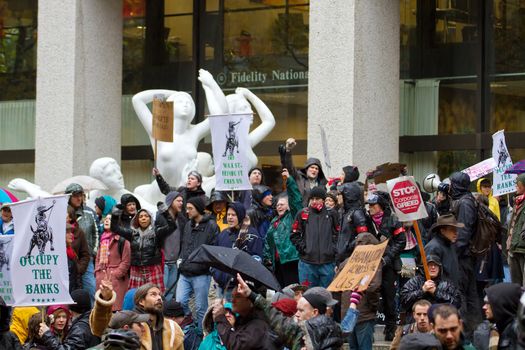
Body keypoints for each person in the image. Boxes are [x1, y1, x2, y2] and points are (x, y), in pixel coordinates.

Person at [90, 278, 184, 350]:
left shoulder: (172, 327)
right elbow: (98, 329)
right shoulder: (129, 318)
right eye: (153, 294)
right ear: (141, 301)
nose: (159, 298)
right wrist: (105, 300)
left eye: (159, 294)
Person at [366, 191, 406, 340]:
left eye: (373, 205)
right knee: (370, 298)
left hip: (389, 266)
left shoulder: (393, 219)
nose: (370, 208)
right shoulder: (365, 219)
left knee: (389, 299)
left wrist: (387, 258)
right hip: (371, 265)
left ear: (381, 206)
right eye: (369, 205)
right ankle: (368, 332)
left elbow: (401, 241)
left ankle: (390, 331)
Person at [177, 196, 219, 331]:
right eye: (186, 208)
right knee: (180, 303)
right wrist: (182, 261)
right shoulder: (188, 225)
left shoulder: (212, 226)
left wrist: (205, 265)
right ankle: (189, 320)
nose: (187, 211)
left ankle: (201, 335)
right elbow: (184, 245)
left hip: (201, 274)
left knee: (201, 307)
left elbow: (213, 249)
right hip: (185, 272)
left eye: (190, 208)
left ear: (199, 209)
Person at [448, 171, 482, 335]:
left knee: (462, 293)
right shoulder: (464, 200)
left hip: (463, 257)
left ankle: (465, 333)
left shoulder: (465, 203)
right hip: (465, 255)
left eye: (451, 183)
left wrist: (453, 254)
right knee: (469, 293)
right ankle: (474, 330)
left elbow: (463, 232)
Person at [111, 207, 173, 293]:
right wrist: (114, 215)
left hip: (153, 269)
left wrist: (166, 213)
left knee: (154, 297)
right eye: (141, 217)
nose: (143, 218)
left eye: (146, 216)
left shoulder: (157, 232)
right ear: (137, 220)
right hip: (136, 270)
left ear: (150, 218)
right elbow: (115, 228)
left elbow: (172, 226)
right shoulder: (132, 234)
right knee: (136, 297)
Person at [339, 232, 382, 350]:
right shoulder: (373, 263)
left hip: (347, 313)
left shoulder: (345, 263)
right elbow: (374, 286)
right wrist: (373, 306)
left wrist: (343, 308)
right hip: (364, 314)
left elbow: (336, 288)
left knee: (353, 347)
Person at [291, 186, 340, 288]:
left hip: (328, 264)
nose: (314, 201)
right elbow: (294, 234)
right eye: (312, 199)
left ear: (323, 199)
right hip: (307, 264)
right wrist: (304, 248)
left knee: (327, 296)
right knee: (307, 296)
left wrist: (332, 249)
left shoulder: (332, 214)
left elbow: (338, 234)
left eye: (317, 199)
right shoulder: (303, 213)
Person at [213, 201, 262, 299]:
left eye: (233, 215)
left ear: (240, 216)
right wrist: (215, 273)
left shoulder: (251, 235)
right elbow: (215, 257)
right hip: (221, 285)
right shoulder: (223, 234)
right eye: (228, 214)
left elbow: (256, 260)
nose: (230, 217)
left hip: (239, 287)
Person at [264, 169, 302, 287]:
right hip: (277, 264)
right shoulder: (274, 221)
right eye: (277, 205)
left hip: (291, 261)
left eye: (282, 204)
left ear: (288, 206)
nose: (279, 206)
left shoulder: (292, 217)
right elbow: (267, 241)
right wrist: (267, 257)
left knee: (292, 291)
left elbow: (295, 199)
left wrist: (289, 181)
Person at [210, 284, 271, 350]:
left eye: (238, 296)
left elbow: (236, 346)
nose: (233, 300)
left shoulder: (258, 325)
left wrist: (220, 317)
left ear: (250, 300)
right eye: (232, 296)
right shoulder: (242, 319)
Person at [65, 183, 99, 299]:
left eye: (81, 195)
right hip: (67, 259)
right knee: (68, 289)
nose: (79, 198)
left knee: (91, 289)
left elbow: (97, 233)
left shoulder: (89, 213)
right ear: (68, 197)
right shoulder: (61, 212)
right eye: (75, 195)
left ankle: (90, 315)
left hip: (86, 258)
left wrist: (93, 253)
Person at [94, 214, 131, 311]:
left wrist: (116, 274)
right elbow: (97, 258)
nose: (106, 221)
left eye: (109, 219)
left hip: (117, 280)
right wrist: (97, 272)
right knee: (102, 308)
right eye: (105, 219)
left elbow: (126, 261)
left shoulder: (123, 239)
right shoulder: (103, 239)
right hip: (102, 277)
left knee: (116, 308)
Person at [157, 191, 187, 301]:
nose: (181, 203)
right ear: (170, 202)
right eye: (178, 201)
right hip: (162, 262)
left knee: (171, 293)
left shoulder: (182, 219)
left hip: (175, 262)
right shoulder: (160, 217)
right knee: (160, 292)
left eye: (182, 201)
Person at [282, 140, 328, 206]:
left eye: (316, 169)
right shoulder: (298, 178)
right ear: (306, 169)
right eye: (312, 167)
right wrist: (288, 150)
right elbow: (290, 167)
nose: (314, 170)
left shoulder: (322, 185)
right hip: (299, 212)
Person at [336, 182, 370, 264]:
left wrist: (348, 247)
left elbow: (363, 238)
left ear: (347, 196)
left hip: (352, 260)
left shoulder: (357, 213)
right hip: (344, 259)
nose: (337, 197)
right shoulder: (345, 213)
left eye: (339, 194)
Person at [425, 214, 462, 286]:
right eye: (452, 230)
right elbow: (430, 277)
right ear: (442, 231)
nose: (456, 233)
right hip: (441, 293)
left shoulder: (450, 245)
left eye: (456, 230)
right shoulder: (433, 248)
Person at [483, 282, 522, 349]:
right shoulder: (497, 327)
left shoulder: (516, 335)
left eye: (488, 303)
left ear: (503, 304)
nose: (484, 307)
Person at [507, 173, 525, 286]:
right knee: (515, 285)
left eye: (518, 184)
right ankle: (517, 304)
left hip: (523, 248)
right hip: (513, 247)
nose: (516, 187)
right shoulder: (517, 201)